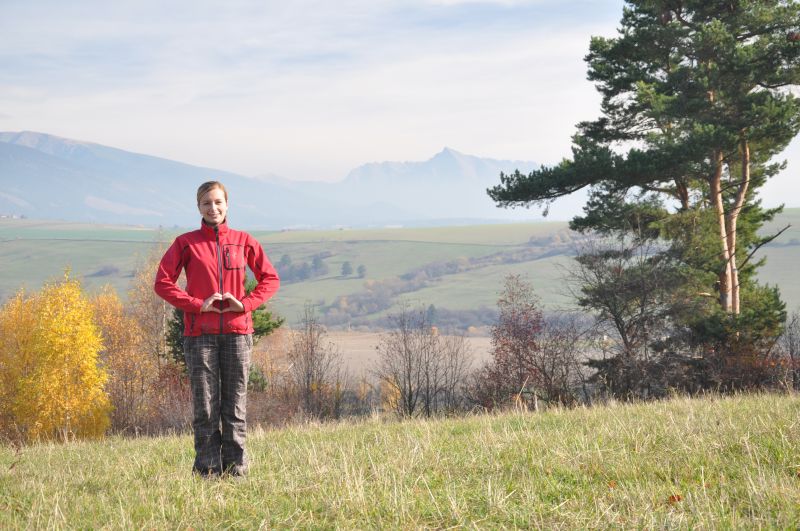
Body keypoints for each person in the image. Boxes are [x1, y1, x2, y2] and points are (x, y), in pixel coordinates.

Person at [154, 181, 280, 477]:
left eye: (218, 202)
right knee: (206, 408)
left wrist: (245, 304)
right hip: (200, 337)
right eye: (207, 203)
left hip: (238, 334)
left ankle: (236, 470)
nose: (213, 208)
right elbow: (162, 283)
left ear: (227, 204)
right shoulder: (185, 243)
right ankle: (208, 471)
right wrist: (198, 304)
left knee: (235, 406)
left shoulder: (244, 241)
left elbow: (270, 279)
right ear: (198, 207)